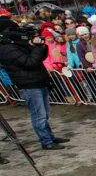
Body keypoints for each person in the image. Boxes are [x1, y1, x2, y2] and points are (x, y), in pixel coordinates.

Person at [0, 16, 69, 150]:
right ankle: (46, 141)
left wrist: (40, 46)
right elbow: (29, 62)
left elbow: (39, 58)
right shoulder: (6, 48)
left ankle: (49, 136)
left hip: (37, 79)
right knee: (39, 114)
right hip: (28, 84)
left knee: (45, 112)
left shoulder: (16, 43)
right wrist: (36, 48)